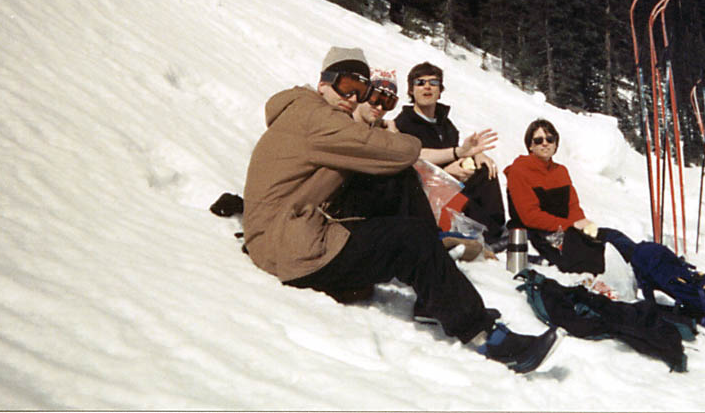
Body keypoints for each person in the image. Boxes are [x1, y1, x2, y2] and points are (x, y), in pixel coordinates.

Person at [241, 47, 560, 373]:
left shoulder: (305, 112)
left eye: (361, 91)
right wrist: (403, 142)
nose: (352, 98)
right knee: (414, 238)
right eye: (347, 86)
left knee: (399, 182)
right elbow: (393, 151)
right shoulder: (317, 118)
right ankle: (485, 336)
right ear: (323, 82)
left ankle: (431, 293)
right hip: (291, 246)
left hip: (289, 230)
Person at [393, 62, 508, 249]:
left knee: (486, 170)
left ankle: (495, 231)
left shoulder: (445, 124)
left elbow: (458, 152)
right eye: (420, 83)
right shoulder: (404, 124)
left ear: (440, 90)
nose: (427, 87)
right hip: (426, 194)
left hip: (452, 183)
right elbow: (415, 161)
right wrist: (447, 173)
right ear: (411, 90)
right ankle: (482, 236)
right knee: (452, 193)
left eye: (433, 82)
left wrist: (477, 154)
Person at [504, 118, 638, 274]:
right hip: (537, 235)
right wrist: (569, 226)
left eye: (550, 139)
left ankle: (644, 263)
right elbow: (530, 216)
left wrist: (583, 224)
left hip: (565, 230)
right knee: (593, 251)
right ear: (530, 146)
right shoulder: (519, 171)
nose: (545, 143)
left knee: (614, 237)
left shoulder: (560, 171)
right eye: (538, 140)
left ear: (556, 144)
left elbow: (572, 206)